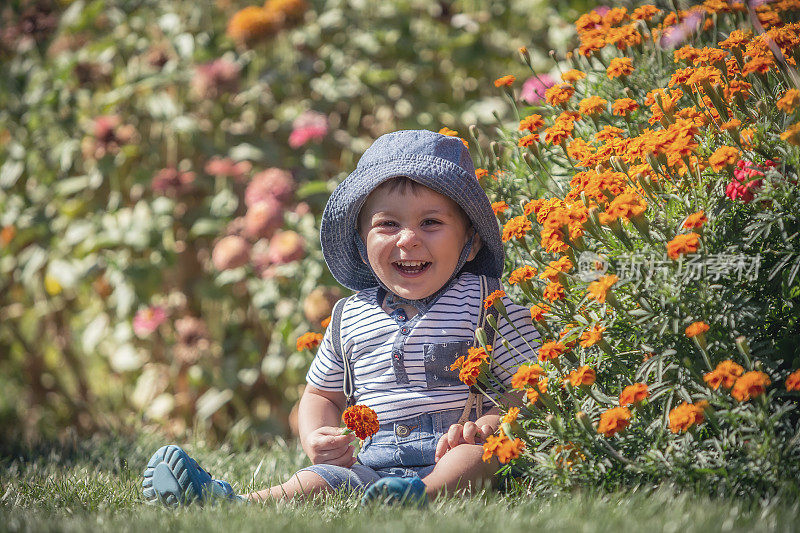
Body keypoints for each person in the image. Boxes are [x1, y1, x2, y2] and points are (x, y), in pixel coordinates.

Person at [142, 129, 541, 507]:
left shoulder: (488, 302)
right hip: (370, 466)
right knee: (317, 480)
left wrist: (489, 424)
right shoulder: (350, 316)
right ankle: (230, 501)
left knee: (473, 459)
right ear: (362, 242)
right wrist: (317, 437)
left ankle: (421, 495)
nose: (408, 238)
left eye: (431, 222)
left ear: (470, 243)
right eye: (388, 224)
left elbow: (528, 384)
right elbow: (321, 395)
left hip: (453, 450)